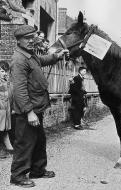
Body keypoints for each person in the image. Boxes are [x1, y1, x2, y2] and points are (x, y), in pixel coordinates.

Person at [9, 25, 69, 188]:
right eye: (26, 38)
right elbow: (19, 90)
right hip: (28, 110)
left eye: (32, 37)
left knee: (39, 140)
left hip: (37, 107)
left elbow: (42, 60)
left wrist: (57, 55)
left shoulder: (30, 54)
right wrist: (29, 112)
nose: (31, 41)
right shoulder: (19, 59)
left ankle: (37, 169)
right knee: (25, 142)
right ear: (19, 41)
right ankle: (18, 175)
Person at [0, 61, 14, 159]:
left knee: (4, 130)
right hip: (0, 110)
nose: (4, 73)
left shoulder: (7, 83)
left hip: (5, 110)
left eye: (6, 71)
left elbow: (10, 96)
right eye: (1, 71)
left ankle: (9, 147)